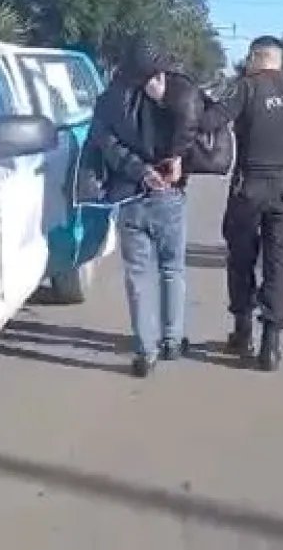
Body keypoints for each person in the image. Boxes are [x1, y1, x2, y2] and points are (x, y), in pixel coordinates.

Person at [202, 35, 283, 371]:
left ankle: (242, 332)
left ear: (256, 58)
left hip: (248, 187)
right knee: (277, 264)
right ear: (279, 61)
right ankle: (271, 346)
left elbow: (211, 121)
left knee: (241, 259)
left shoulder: (245, 88)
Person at [86, 35, 201, 377]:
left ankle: (145, 351)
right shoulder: (175, 95)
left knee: (138, 276)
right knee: (172, 268)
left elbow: (104, 141)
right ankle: (172, 340)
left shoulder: (109, 100)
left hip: (128, 194)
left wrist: (138, 170)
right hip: (168, 193)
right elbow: (196, 124)